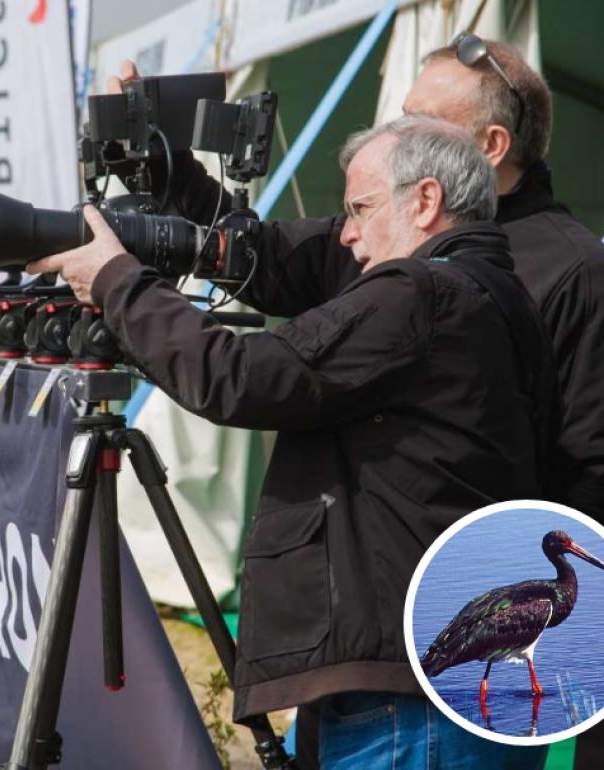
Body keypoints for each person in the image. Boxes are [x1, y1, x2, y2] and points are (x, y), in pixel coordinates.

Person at [30, 116, 552, 769]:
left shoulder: (419, 293)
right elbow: (283, 270)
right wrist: (174, 182)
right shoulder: (500, 295)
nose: (349, 233)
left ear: (425, 201)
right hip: (428, 681)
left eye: (360, 209)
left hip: (404, 699)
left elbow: (244, 379)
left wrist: (117, 283)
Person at [112, 36, 604, 552]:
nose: (396, 132)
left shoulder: (587, 277)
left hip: (458, 587)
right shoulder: (381, 229)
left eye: (422, 121)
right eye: (401, 115)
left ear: (491, 146)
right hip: (352, 570)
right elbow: (259, 257)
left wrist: (521, 603)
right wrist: (166, 166)